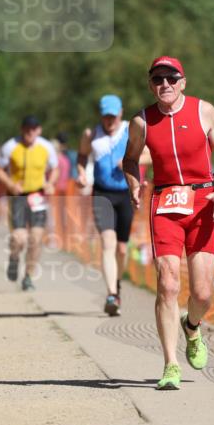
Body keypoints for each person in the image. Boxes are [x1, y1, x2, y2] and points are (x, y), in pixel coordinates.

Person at [123, 56, 214, 390]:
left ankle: (192, 325)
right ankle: (170, 364)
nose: (165, 85)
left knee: (202, 292)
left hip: (202, 202)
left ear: (183, 82)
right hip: (165, 203)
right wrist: (133, 183)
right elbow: (129, 158)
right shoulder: (142, 121)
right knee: (167, 284)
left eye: (171, 78)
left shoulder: (204, 111)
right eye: (158, 79)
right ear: (150, 85)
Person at [77, 94, 133, 317]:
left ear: (121, 113)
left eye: (113, 116)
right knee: (108, 242)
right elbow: (81, 156)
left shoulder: (132, 130)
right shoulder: (91, 134)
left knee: (122, 248)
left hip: (126, 193)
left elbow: (150, 154)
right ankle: (111, 294)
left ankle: (117, 284)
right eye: (105, 116)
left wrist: (128, 162)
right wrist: (81, 173)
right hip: (102, 194)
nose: (109, 121)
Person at [0, 116, 59, 290]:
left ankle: (28, 277)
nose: (30, 132)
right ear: (22, 129)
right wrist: (9, 184)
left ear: (39, 130)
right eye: (27, 128)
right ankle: (14, 258)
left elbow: (55, 168)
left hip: (38, 196)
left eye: (33, 129)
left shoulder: (46, 147)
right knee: (19, 238)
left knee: (36, 238)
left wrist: (50, 183)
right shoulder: (10, 146)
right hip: (18, 197)